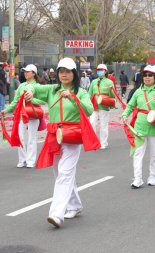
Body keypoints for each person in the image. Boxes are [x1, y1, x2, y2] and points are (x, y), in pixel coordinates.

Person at [24, 57, 99, 228]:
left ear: (74, 73)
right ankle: (75, 205)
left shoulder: (81, 92)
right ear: (57, 74)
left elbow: (88, 110)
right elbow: (33, 86)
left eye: (68, 71)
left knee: (65, 173)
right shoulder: (52, 89)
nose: (64, 75)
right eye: (61, 71)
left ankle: (56, 214)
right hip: (54, 136)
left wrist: (73, 97)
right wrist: (29, 91)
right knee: (59, 173)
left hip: (72, 136)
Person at [122, 65, 155, 188]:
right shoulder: (138, 91)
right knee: (138, 153)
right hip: (140, 126)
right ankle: (137, 179)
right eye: (145, 75)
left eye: (150, 75)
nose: (147, 78)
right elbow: (130, 105)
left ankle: (152, 176)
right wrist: (125, 115)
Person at [2, 64, 45, 168]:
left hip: (34, 115)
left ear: (34, 73)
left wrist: (32, 100)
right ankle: (23, 159)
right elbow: (15, 101)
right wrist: (6, 110)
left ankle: (31, 161)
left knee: (31, 138)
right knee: (20, 138)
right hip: (22, 115)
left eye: (28, 71)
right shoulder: (22, 86)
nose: (25, 73)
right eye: (24, 71)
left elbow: (43, 100)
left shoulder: (38, 87)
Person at [88, 64, 116, 149]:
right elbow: (90, 93)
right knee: (92, 123)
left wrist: (110, 90)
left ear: (105, 71)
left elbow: (113, 95)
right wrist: (88, 104)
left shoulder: (109, 82)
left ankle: (103, 143)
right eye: (98, 70)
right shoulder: (93, 81)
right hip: (94, 105)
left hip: (104, 105)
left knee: (103, 125)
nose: (99, 71)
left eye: (101, 70)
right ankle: (93, 142)